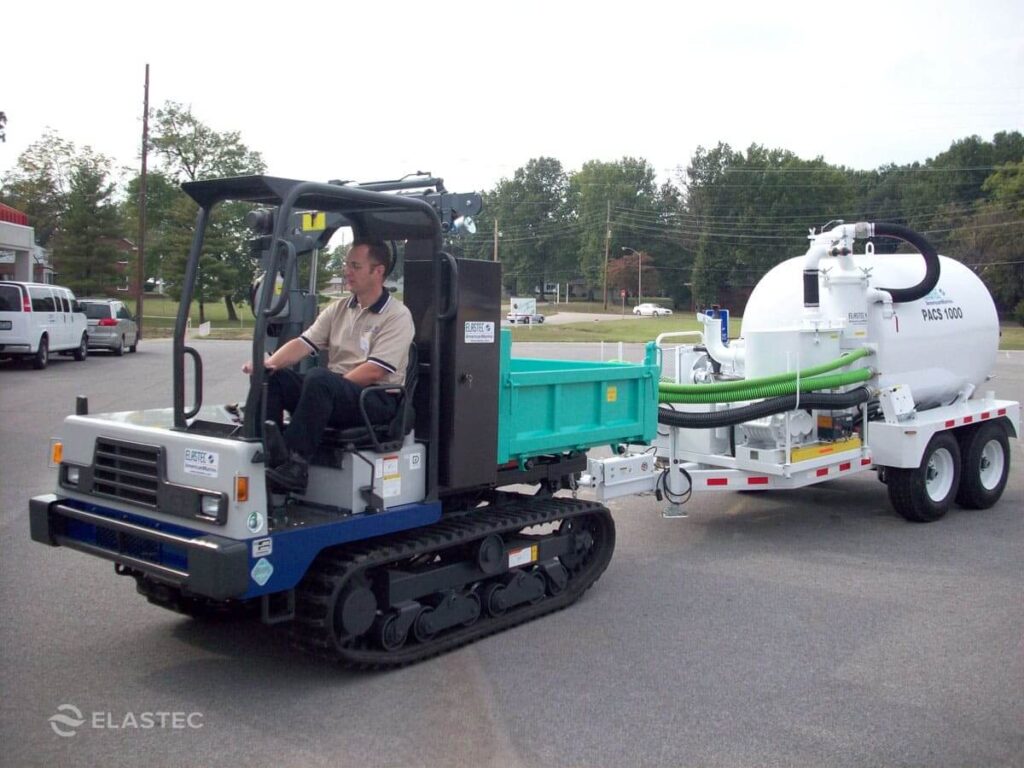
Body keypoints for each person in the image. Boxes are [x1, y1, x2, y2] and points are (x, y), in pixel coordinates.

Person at [243, 239, 414, 492]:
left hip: (376, 399)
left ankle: (296, 464)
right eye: (347, 265)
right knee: (274, 377)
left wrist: (331, 389)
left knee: (319, 379)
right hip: (338, 393)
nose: (347, 271)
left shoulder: (397, 316)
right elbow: (304, 343)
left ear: (378, 271)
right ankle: (267, 452)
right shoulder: (339, 309)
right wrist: (268, 364)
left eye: (355, 266)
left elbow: (376, 370)